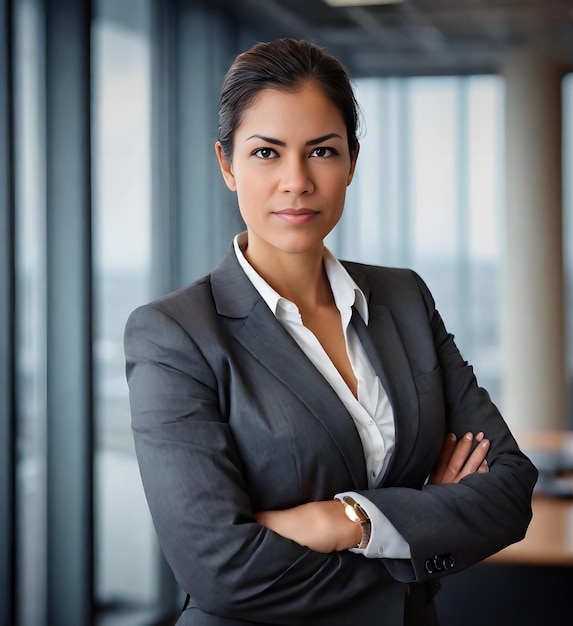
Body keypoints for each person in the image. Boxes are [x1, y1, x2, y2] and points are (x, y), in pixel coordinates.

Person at [124, 38, 537, 626]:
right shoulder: (174, 335)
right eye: (267, 153)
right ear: (226, 165)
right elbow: (217, 569)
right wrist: (418, 517)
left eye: (320, 150)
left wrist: (346, 521)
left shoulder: (404, 300)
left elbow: (510, 488)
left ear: (351, 161)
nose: (296, 181)